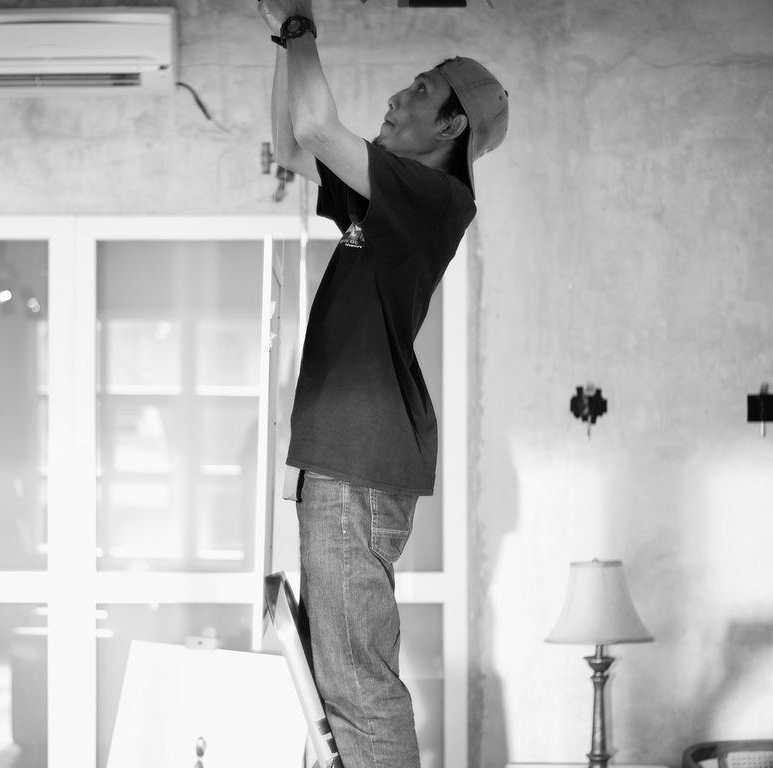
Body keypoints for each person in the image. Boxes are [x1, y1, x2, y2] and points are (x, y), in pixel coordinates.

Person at [259, 1, 508, 767]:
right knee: (345, 685)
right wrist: (284, 38)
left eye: (421, 91)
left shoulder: (436, 199)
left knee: (358, 689)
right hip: (346, 465)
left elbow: (315, 130)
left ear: (453, 127)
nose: (397, 98)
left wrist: (300, 23)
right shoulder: (383, 198)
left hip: (356, 466)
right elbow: (290, 144)